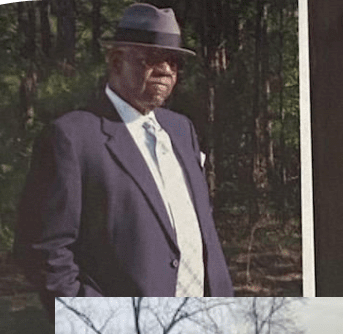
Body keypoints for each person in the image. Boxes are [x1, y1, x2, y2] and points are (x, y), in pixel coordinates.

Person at [15, 3, 234, 307]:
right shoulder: (72, 137)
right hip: (126, 332)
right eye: (153, 57)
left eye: (173, 61)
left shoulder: (182, 129)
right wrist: (98, 320)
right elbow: (45, 251)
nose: (166, 70)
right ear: (116, 60)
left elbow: (198, 228)